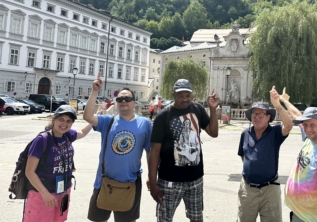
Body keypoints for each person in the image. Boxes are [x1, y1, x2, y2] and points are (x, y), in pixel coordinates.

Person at [83, 73, 152, 222]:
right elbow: (88, 117)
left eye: (127, 98)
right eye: (120, 99)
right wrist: (95, 91)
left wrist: (152, 176)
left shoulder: (145, 124)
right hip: (104, 181)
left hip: (130, 182)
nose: (123, 101)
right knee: (98, 219)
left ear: (134, 103)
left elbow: (150, 152)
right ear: (116, 103)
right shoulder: (108, 121)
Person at [149, 79, 219, 222]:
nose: (185, 99)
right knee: (164, 219)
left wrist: (212, 109)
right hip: (169, 180)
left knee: (196, 218)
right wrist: (153, 182)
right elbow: (155, 151)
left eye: (187, 95)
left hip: (195, 179)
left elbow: (213, 132)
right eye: (180, 95)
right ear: (173, 94)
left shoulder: (197, 109)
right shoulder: (163, 116)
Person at [24, 105, 93, 222]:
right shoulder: (42, 140)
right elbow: (29, 172)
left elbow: (82, 132)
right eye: (61, 119)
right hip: (42, 193)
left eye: (68, 121)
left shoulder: (67, 135)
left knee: (59, 220)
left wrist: (93, 119)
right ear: (54, 119)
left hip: (63, 191)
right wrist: (45, 194)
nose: (64, 124)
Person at [237, 86, 293, 222]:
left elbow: (289, 125)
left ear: (268, 117)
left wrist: (278, 105)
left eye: (261, 114)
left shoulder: (275, 133)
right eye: (254, 114)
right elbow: (243, 156)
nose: (257, 117)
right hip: (248, 190)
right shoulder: (245, 133)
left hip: (270, 190)